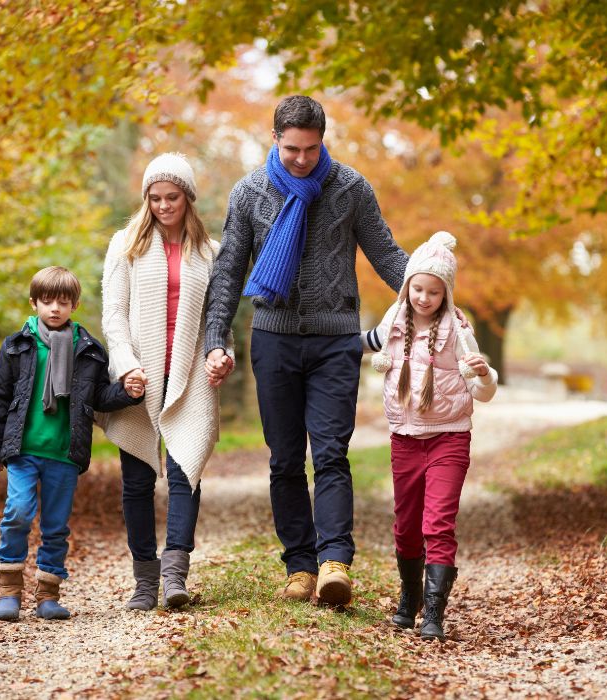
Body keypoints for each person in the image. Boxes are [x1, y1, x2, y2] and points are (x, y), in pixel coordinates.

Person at [203, 95, 409, 606]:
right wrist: (216, 338)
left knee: (333, 453)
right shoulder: (250, 192)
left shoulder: (350, 189)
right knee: (285, 459)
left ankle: (335, 560)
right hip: (272, 339)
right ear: (275, 139)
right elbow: (229, 271)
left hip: (336, 339)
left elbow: (384, 252)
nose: (301, 158)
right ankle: (300, 565)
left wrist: (436, 298)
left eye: (311, 149)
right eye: (292, 148)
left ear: (323, 141)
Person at [101, 152, 232, 611]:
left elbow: (219, 321)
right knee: (137, 480)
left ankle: (175, 575)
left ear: (188, 197)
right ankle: (144, 580)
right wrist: (124, 363)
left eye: (171, 197)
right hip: (139, 374)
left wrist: (222, 353)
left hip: (190, 373)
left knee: (185, 473)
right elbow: (113, 316)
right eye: (154, 198)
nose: (162, 205)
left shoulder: (210, 252)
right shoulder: (126, 245)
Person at [0, 266, 142, 622]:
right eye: (47, 301)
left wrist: (127, 393)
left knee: (56, 525)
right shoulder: (17, 345)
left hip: (65, 453)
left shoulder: (89, 350)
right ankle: (9, 590)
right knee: (18, 513)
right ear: (34, 302)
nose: (55, 308)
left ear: (75, 305)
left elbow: (99, 395)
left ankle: (48, 594)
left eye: (63, 302)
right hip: (23, 451)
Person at [362, 231, 497, 640]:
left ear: (446, 294)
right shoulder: (393, 321)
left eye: (433, 292)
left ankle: (434, 612)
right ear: (407, 287)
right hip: (404, 436)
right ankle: (410, 596)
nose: (423, 298)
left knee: (437, 523)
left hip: (449, 438)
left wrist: (485, 374)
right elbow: (364, 345)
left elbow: (484, 392)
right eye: (417, 288)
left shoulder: (459, 332)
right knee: (405, 525)